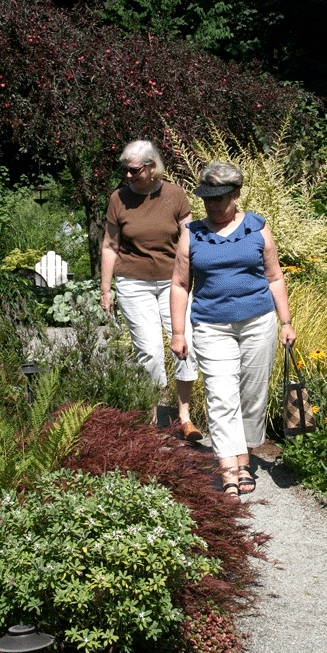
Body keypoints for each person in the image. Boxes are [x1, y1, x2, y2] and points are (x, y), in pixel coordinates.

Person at [170, 161, 296, 500]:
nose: (212, 205)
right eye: (207, 198)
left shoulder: (257, 227)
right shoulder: (192, 233)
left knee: (252, 395)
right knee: (221, 395)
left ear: (236, 194)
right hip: (211, 325)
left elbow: (275, 277)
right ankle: (228, 466)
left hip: (258, 322)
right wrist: (179, 333)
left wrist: (286, 323)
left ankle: (245, 459)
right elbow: (181, 284)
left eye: (219, 198)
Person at [100, 140, 202, 441]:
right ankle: (154, 418)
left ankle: (184, 417)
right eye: (125, 171)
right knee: (151, 353)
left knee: (186, 347)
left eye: (133, 171)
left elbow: (190, 237)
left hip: (175, 284)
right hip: (134, 284)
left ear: (151, 167)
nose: (127, 176)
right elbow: (110, 246)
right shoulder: (118, 199)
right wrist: (106, 290)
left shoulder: (174, 195)